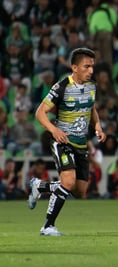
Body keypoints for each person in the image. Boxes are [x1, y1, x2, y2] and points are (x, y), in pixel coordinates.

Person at [27, 48, 106, 236]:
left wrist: (98, 127)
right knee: (68, 182)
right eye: (86, 66)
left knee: (80, 191)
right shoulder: (61, 87)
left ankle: (40, 186)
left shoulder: (91, 86)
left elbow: (91, 108)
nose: (91, 71)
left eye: (92, 67)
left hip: (81, 144)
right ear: (74, 67)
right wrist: (54, 130)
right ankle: (47, 226)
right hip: (63, 141)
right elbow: (40, 112)